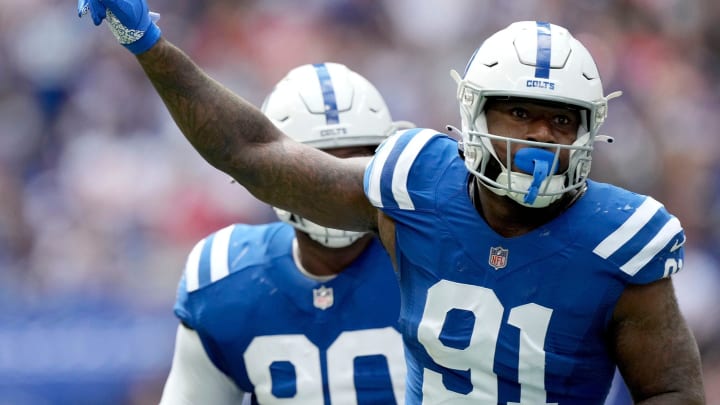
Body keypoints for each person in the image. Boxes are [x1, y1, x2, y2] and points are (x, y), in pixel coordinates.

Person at [79, 1, 706, 403]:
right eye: (519, 112)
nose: (541, 136)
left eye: (560, 121)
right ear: (474, 115)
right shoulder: (414, 190)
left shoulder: (620, 239)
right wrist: (150, 45)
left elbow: (672, 390)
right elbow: (252, 150)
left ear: (588, 131)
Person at [158, 62, 410, 404]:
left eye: (351, 167)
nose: (333, 187)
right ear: (269, 172)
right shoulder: (226, 274)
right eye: (314, 167)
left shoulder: (431, 257)